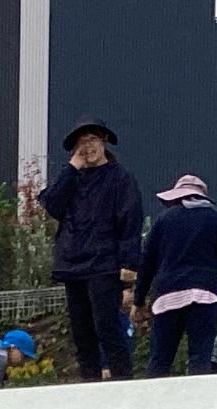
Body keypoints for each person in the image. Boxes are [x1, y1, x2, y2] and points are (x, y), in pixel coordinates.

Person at [39, 117, 143, 382]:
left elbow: (130, 221)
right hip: (72, 264)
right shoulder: (72, 179)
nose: (88, 147)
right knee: (81, 331)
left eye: (93, 140)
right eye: (82, 142)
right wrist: (72, 168)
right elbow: (51, 204)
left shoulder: (120, 178)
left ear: (104, 142)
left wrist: (129, 265)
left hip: (105, 263)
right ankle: (90, 384)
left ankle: (122, 381)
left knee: (107, 325)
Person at [134, 173, 217, 378]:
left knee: (160, 358)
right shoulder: (215, 219)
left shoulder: (163, 220)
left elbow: (147, 262)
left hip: (167, 295)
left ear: (176, 196)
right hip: (204, 294)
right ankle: (198, 403)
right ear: (202, 197)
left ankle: (152, 403)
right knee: (200, 356)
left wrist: (139, 300)